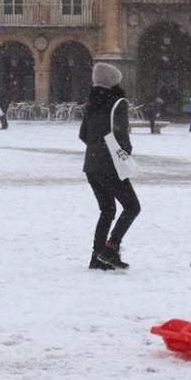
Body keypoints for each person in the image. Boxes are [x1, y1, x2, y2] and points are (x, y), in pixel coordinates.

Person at [80, 62, 140, 270]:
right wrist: (125, 154)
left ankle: (97, 257)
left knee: (107, 209)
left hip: (91, 166)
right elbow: (121, 135)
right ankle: (110, 248)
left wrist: (97, 149)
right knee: (132, 207)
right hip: (110, 166)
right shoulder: (118, 103)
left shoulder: (91, 103)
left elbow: (83, 135)